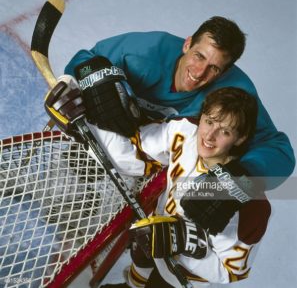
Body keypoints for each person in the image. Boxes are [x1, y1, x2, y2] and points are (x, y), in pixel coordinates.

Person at [45, 70, 271, 287]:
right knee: (141, 258)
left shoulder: (251, 205)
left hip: (183, 272)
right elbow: (132, 151)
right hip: (153, 227)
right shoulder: (185, 131)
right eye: (209, 122)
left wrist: (184, 241)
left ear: (240, 139)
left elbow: (232, 271)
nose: (209, 136)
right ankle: (133, 284)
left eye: (225, 131)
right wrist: (84, 126)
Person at [56, 16, 294, 190]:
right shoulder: (144, 52)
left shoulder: (235, 94)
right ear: (187, 44)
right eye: (198, 56)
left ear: (226, 72)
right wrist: (75, 82)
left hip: (164, 168)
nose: (199, 73)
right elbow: (87, 60)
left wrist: (237, 180)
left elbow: (279, 152)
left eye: (214, 68)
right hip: (118, 135)